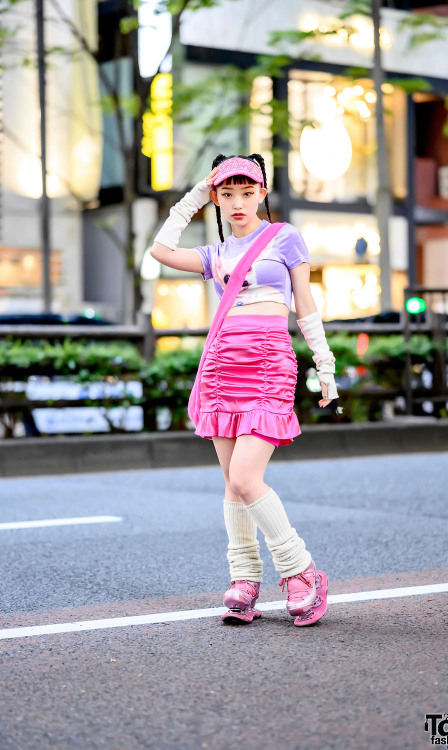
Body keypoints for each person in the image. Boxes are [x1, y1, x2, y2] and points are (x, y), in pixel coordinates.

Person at [150, 153, 338, 627]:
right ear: (217, 197)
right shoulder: (215, 254)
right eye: (227, 194)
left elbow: (306, 307)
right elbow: (160, 250)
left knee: (246, 477)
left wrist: (325, 367)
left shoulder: (284, 237)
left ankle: (301, 573)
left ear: (262, 193)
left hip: (270, 363)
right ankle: (244, 580)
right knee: (232, 481)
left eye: (247, 192)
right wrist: (195, 194)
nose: (238, 203)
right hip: (222, 367)